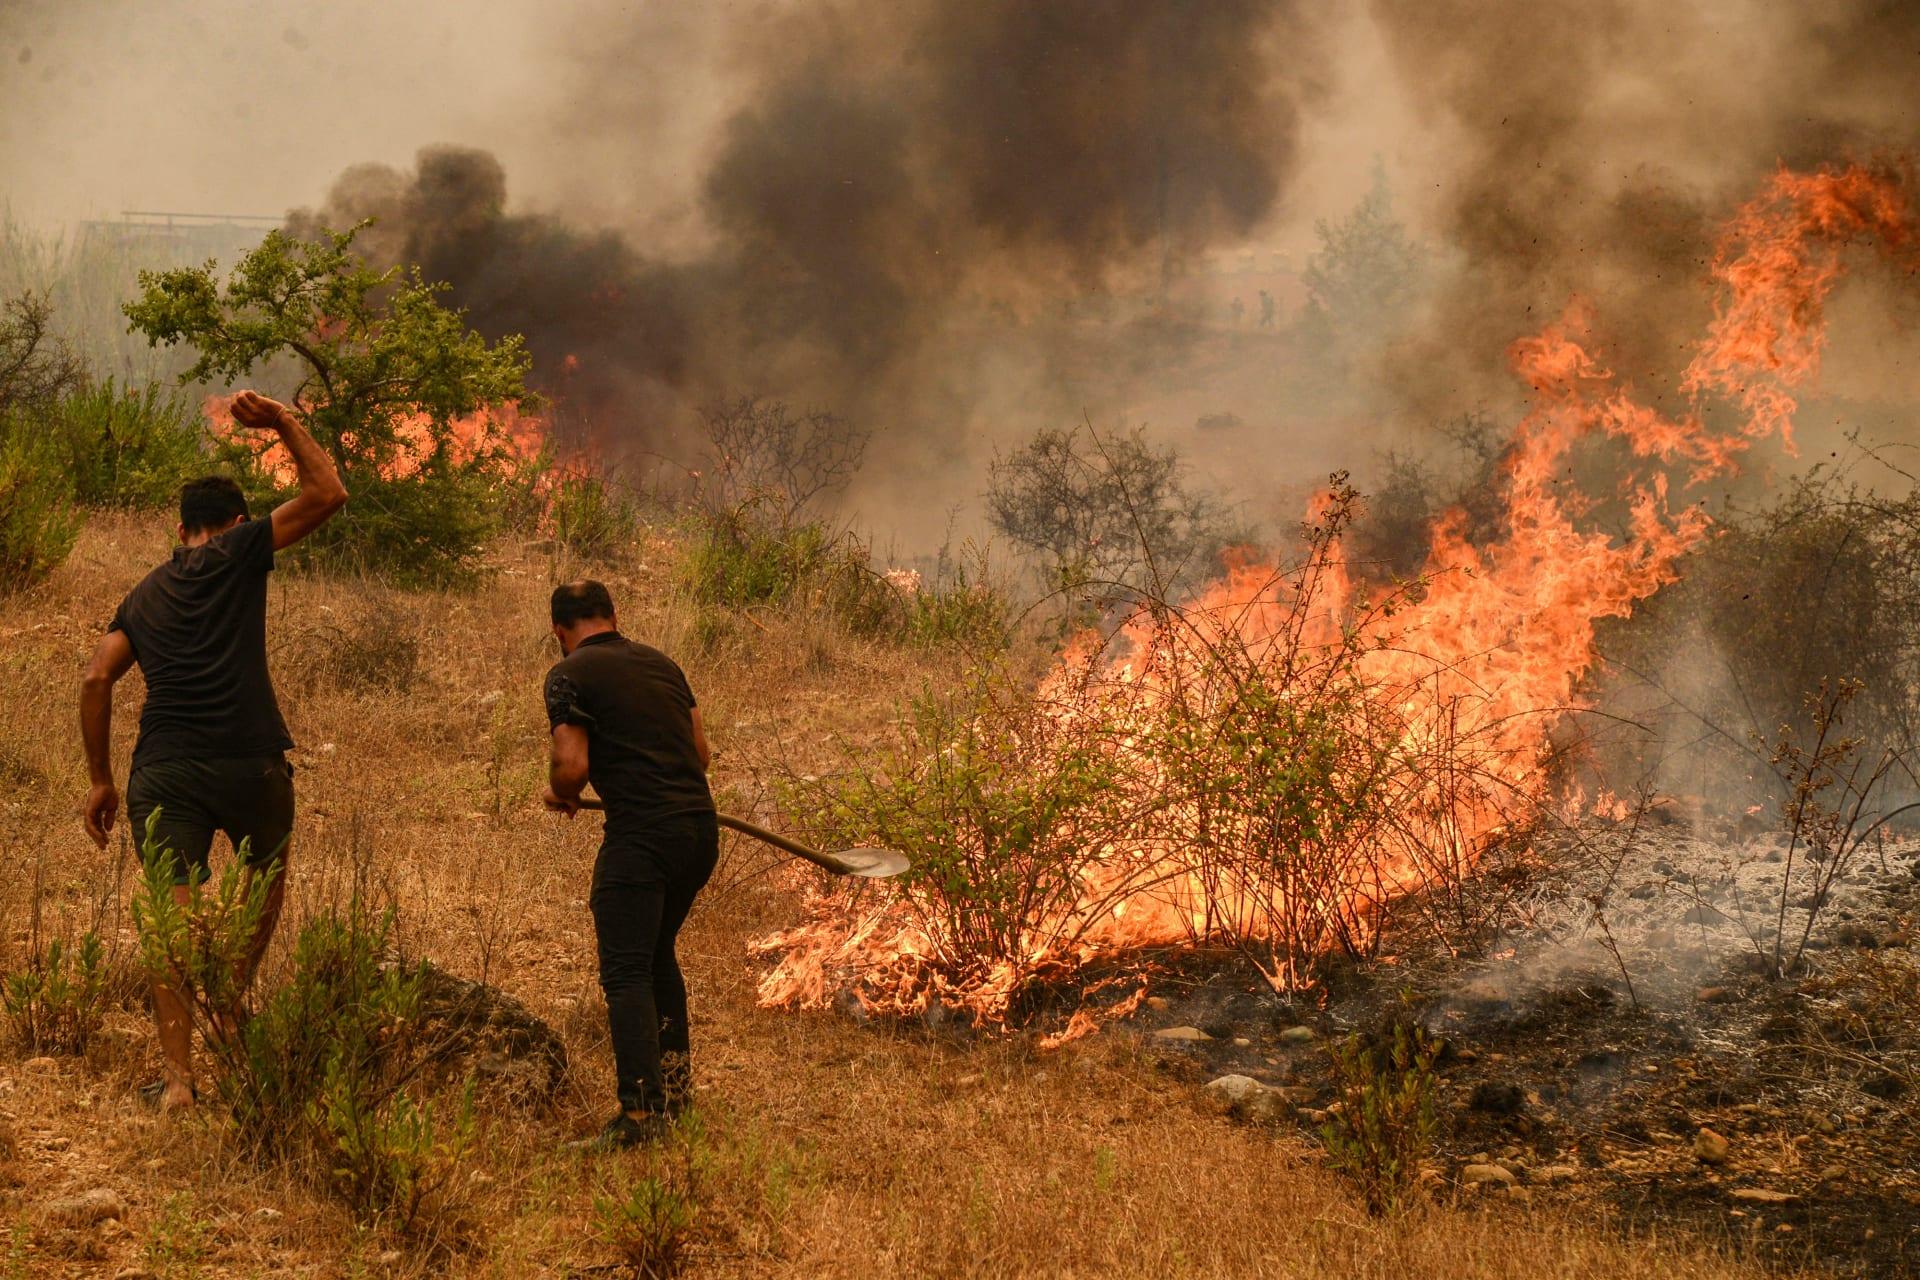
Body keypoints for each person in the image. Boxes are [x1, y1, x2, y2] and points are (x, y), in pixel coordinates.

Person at [79, 391, 348, 1110]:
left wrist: (101, 781)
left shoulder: (142, 595)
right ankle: (230, 1000)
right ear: (233, 525)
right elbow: (329, 493)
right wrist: (287, 422)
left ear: (179, 529)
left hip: (163, 772)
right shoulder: (240, 549)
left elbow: (97, 678)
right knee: (265, 883)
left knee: (172, 921)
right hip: (251, 761)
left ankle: (177, 1082)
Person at [541, 580, 715, 1150]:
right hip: (698, 831)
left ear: (559, 632)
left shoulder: (570, 674)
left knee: (626, 971)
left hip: (643, 838)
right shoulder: (663, 663)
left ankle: (640, 1118)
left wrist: (562, 790)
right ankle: (676, 1094)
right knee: (656, 955)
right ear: (615, 616)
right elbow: (701, 755)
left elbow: (571, 766)